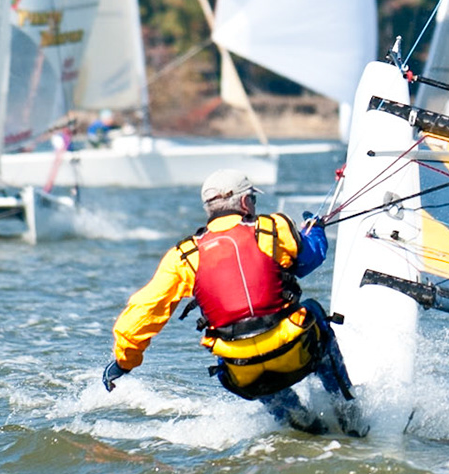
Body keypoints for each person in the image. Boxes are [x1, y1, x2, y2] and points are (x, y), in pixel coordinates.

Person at [103, 170, 358, 435]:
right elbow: (310, 260)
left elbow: (141, 315)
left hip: (242, 374)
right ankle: (349, 412)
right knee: (313, 312)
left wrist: (124, 362)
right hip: (295, 352)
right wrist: (315, 231)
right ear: (245, 203)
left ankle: (303, 425)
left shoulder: (182, 257)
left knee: (244, 356)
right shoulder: (272, 228)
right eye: (253, 201)